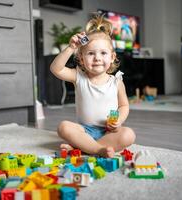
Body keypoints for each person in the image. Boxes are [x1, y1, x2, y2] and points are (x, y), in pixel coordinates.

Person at [50, 15, 136, 158]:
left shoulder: (116, 81)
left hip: (108, 131)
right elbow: (56, 69)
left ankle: (83, 147)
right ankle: (97, 150)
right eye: (90, 53)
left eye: (103, 53)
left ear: (112, 57)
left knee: (129, 135)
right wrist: (71, 47)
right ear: (82, 59)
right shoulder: (78, 77)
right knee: (63, 127)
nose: (97, 58)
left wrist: (119, 120)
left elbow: (124, 106)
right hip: (84, 130)